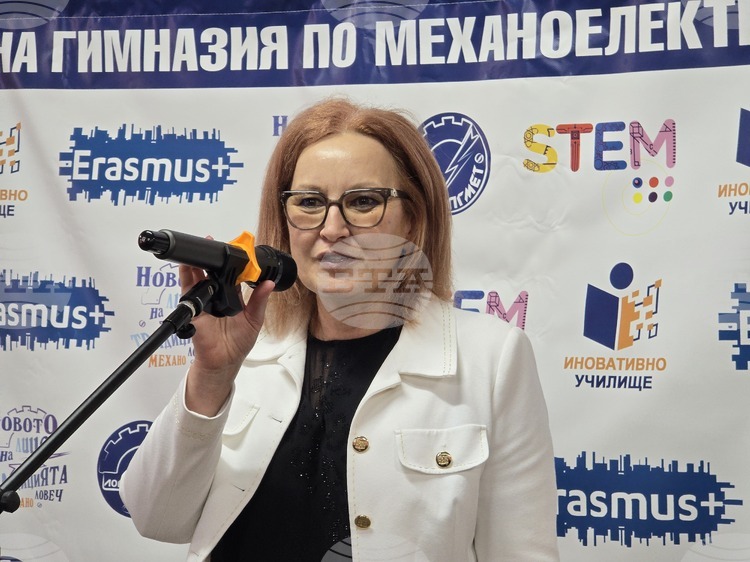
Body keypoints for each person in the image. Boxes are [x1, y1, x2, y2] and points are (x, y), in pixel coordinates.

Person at [120, 97, 560, 562]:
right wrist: (212, 376)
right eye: (309, 202)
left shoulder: (492, 358)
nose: (332, 228)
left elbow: (522, 553)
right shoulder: (245, 345)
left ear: (413, 219)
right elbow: (155, 518)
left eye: (363, 202)